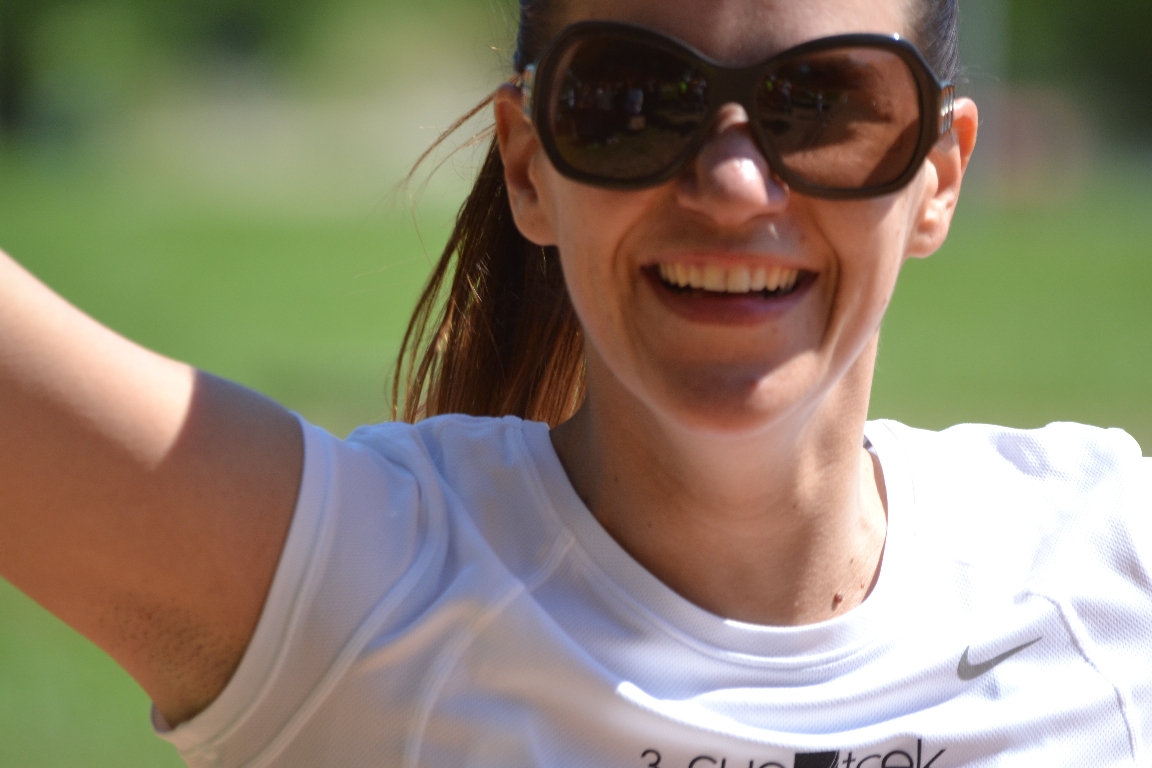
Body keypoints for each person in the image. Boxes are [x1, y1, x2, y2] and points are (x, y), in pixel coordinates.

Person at [1, 0, 1149, 765]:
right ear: (526, 165)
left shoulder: (1109, 577)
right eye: (633, 100)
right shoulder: (360, 601)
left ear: (938, 174)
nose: (735, 183)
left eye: (823, 103)